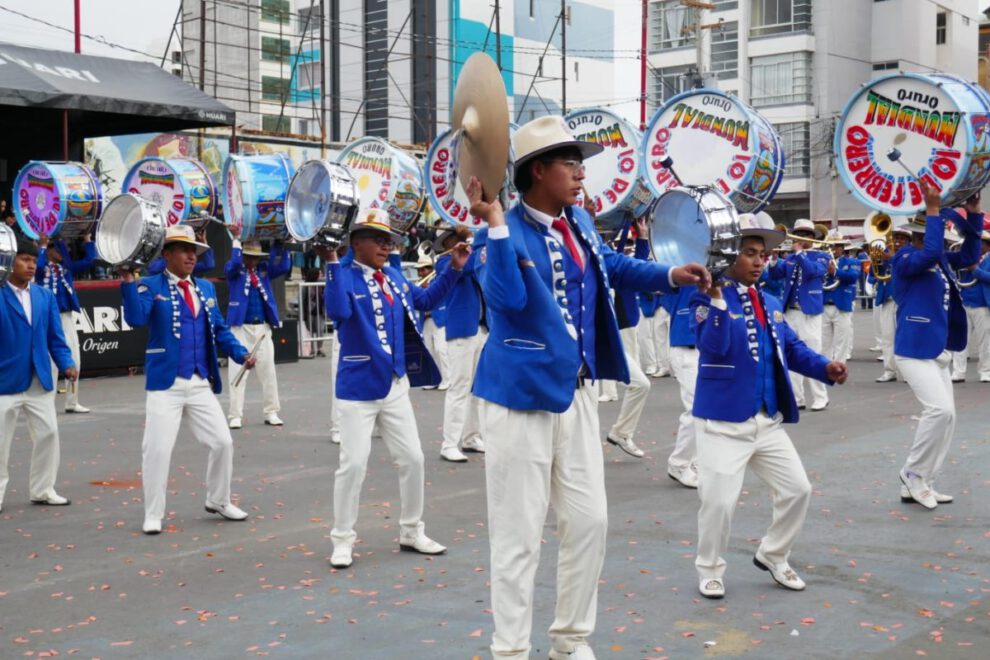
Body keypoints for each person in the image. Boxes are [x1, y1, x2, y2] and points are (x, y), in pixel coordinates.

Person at [467, 115, 710, 660]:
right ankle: (510, 650)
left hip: (576, 393)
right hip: (519, 399)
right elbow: (504, 300)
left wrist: (670, 275)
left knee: (589, 522)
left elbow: (612, 266)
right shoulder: (498, 233)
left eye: (581, 164)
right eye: (570, 163)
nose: (581, 174)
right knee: (518, 534)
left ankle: (570, 639)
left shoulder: (578, 223)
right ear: (537, 170)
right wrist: (496, 222)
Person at [689, 218, 848, 599]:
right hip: (722, 422)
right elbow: (712, 346)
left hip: (766, 419)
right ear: (729, 256)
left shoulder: (771, 302)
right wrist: (715, 298)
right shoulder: (703, 298)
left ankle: (774, 554)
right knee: (718, 503)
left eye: (762, 254)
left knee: (798, 490)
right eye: (750, 253)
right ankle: (709, 567)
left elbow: (792, 348)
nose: (759, 261)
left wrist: (825, 367)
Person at [316, 209, 469, 569]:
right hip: (358, 388)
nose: (386, 246)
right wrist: (332, 261)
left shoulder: (395, 277)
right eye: (378, 240)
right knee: (353, 466)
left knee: (413, 459)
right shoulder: (343, 275)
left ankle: (412, 530)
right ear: (357, 243)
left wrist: (454, 268)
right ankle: (342, 538)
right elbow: (337, 311)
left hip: (396, 384)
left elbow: (426, 301)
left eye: (389, 241)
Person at [120, 225, 256, 535]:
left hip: (198, 380)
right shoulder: (149, 284)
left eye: (194, 251)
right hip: (165, 382)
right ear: (167, 254)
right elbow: (136, 318)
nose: (191, 256)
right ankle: (153, 513)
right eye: (184, 250)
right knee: (157, 450)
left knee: (222, 442)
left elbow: (219, 329)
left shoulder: (205, 288)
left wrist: (240, 353)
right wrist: (128, 280)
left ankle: (218, 500)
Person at [893, 184, 982, 510]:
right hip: (913, 348)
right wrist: (933, 210)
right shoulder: (903, 258)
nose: (942, 243)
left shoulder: (939, 257)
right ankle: (912, 473)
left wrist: (973, 215)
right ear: (920, 234)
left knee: (949, 417)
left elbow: (970, 257)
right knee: (939, 411)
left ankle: (923, 481)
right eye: (935, 234)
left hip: (937, 348)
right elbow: (930, 253)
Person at [0, 234, 77, 513]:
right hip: (4, 381)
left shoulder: (45, 296)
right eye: (24, 259)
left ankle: (43, 490)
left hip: (39, 378)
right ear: (10, 261)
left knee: (49, 434)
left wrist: (67, 363)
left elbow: (56, 337)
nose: (31, 265)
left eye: (33, 260)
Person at [224, 227, 292, 429]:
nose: (252, 260)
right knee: (237, 372)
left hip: (262, 328)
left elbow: (283, 266)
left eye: (255, 257)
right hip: (240, 329)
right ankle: (235, 414)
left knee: (268, 372)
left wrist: (281, 244)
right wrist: (236, 240)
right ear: (243, 255)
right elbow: (235, 263)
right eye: (249, 256)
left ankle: (271, 411)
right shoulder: (233, 270)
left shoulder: (264, 270)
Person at [435, 223, 488, 463]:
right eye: (457, 238)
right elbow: (468, 267)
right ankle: (449, 444)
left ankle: (471, 437)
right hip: (461, 331)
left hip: (480, 328)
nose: (462, 242)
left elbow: (480, 267)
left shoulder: (471, 257)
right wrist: (472, 239)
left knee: (477, 389)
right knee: (458, 388)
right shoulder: (444, 262)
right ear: (448, 243)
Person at [768, 219, 832, 411]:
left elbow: (812, 272)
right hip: (790, 311)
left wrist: (799, 254)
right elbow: (775, 275)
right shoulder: (791, 258)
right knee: (790, 353)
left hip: (810, 312)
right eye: (798, 234)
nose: (800, 238)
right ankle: (797, 397)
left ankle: (821, 396)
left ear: (812, 237)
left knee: (813, 352)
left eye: (805, 235)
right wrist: (774, 259)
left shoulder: (821, 256)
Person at [605, 223, 654, 458]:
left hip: (612, 336)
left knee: (640, 384)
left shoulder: (615, 269)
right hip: (582, 342)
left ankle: (621, 432)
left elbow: (640, 264)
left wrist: (639, 234)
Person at [35, 233, 96, 413]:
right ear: (49, 250)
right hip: (47, 318)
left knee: (75, 359)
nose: (63, 252)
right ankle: (48, 403)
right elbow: (38, 266)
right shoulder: (40, 266)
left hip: (66, 316)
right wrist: (42, 246)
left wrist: (87, 240)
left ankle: (72, 401)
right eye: (59, 249)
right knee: (51, 363)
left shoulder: (66, 267)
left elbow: (88, 261)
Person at [665, 282, 699, 488]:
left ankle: (695, 462)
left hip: (705, 347)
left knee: (707, 411)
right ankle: (679, 463)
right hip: (686, 347)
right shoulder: (682, 276)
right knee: (696, 410)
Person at [951, 231, 990, 382]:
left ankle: (986, 371)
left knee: (985, 341)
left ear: (987, 245)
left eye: (980, 244)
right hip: (964, 302)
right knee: (960, 340)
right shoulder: (967, 257)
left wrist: (975, 270)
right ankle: (958, 372)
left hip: (982, 305)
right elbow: (954, 273)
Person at [874, 226, 909, 382]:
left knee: (906, 337)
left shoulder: (910, 253)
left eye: (902, 238)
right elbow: (874, 274)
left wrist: (892, 258)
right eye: (896, 238)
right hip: (887, 298)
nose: (898, 241)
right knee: (887, 337)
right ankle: (889, 371)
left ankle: (908, 372)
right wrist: (877, 260)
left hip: (905, 299)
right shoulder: (886, 252)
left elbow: (906, 269)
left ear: (908, 241)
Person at [415, 251, 451, 393]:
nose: (421, 273)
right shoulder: (419, 284)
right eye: (419, 270)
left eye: (424, 269)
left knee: (441, 350)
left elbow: (440, 295)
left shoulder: (437, 280)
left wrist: (427, 288)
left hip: (439, 318)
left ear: (431, 269)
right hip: (425, 320)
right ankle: (433, 379)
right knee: (429, 351)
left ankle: (447, 379)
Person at [821, 236, 861, 362]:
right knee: (824, 342)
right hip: (824, 304)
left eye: (837, 247)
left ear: (842, 249)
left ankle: (839, 366)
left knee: (841, 342)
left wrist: (835, 272)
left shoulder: (851, 262)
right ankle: (825, 366)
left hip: (842, 304)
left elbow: (853, 277)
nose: (833, 249)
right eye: (831, 246)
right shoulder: (822, 261)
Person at [637, 290, 670, 378]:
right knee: (659, 338)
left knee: (673, 337)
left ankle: (675, 367)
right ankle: (663, 367)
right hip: (657, 304)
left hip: (672, 303)